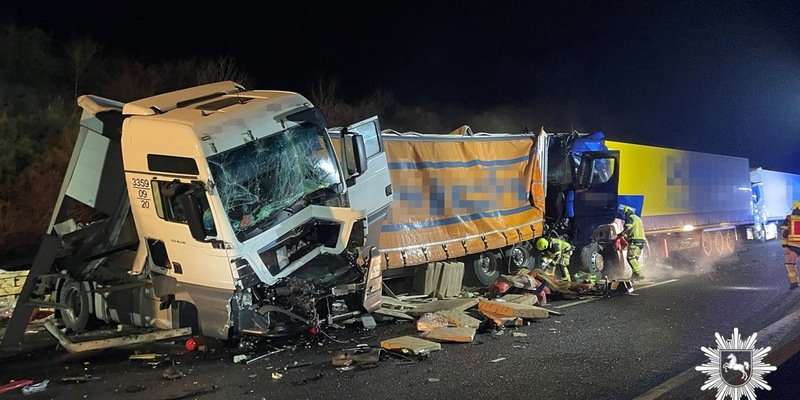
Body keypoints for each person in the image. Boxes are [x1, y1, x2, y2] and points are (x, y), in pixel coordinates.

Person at [618, 205, 646, 280]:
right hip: (641, 241)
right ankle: (635, 275)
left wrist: (621, 234)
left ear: (626, 212)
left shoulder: (629, 217)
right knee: (635, 259)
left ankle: (640, 274)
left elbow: (628, 227)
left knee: (630, 258)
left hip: (635, 241)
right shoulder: (637, 218)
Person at [780, 201, 800, 290]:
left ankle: (794, 283)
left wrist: (785, 246)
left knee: (790, 264)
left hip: (792, 246)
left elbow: (784, 233)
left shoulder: (789, 219)